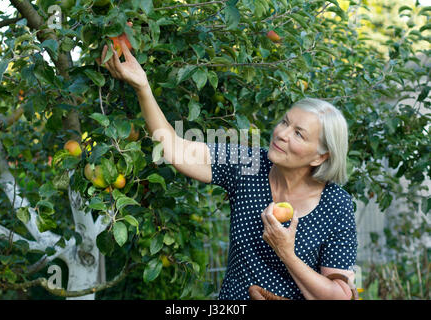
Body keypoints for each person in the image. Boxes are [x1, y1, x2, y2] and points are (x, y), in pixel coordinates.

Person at [99, 39, 358, 300]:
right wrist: (143, 86)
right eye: (284, 122)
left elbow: (339, 296)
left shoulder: (336, 205)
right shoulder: (249, 164)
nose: (281, 134)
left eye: (299, 134)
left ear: (320, 156)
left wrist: (286, 253)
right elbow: (175, 149)